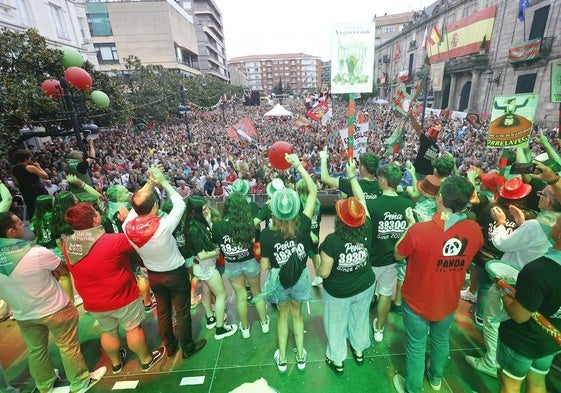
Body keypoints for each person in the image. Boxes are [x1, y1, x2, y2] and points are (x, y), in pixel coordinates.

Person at [393, 177, 484, 393]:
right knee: (441, 341)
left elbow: (398, 254)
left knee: (416, 346)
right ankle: (435, 379)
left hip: (417, 300)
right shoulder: (474, 229)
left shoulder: (419, 230)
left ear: (440, 197)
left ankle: (413, 388)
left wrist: (411, 226)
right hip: (448, 300)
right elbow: (451, 227)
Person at [0, 211, 106, 393]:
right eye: (18, 223)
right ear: (10, 231)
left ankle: (45, 385)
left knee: (36, 350)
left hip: (24, 314)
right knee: (68, 347)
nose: (22, 225)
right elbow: (63, 269)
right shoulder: (37, 253)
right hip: (55, 309)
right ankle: (80, 382)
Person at [62, 202, 165, 374]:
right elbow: (137, 239)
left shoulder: (67, 244)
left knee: (108, 330)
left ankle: (116, 363)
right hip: (122, 296)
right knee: (133, 328)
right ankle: (146, 360)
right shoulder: (113, 241)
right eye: (96, 212)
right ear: (95, 219)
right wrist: (126, 220)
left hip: (93, 301)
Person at [123, 166, 206, 360]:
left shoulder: (127, 227)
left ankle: (169, 346)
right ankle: (187, 347)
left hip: (153, 275)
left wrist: (150, 183)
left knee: (163, 312)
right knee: (182, 312)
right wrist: (163, 181)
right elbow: (179, 204)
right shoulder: (162, 225)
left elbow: (136, 206)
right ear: (155, 207)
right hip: (175, 274)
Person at [465, 203, 550, 378]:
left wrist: (501, 223)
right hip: (533, 281)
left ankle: (491, 362)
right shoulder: (540, 224)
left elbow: (501, 243)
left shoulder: (538, 225)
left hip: (512, 278)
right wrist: (521, 224)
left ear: (549, 201)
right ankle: (501, 355)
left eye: (545, 194)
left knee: (492, 319)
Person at [260, 152, 316, 373]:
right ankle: (301, 357)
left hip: (279, 279)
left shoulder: (266, 235)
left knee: (282, 316)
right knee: (297, 315)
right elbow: (312, 190)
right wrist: (297, 165)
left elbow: (264, 266)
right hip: (301, 276)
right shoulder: (303, 223)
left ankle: (282, 359)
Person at [318, 159, 375, 375]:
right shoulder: (367, 225)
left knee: (336, 324)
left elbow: (324, 272)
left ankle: (338, 359)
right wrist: (352, 176)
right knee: (360, 319)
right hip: (365, 284)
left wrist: (317, 262)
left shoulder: (332, 241)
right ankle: (359, 351)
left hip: (339, 292)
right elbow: (361, 199)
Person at [496, 215, 561, 393]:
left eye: (558, 221)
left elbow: (519, 315)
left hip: (523, 341)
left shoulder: (540, 270)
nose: (554, 223)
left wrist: (502, 289)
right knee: (538, 381)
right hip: (550, 339)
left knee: (509, 383)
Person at [212, 192, 269, 339]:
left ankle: (245, 329)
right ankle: (264, 324)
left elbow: (217, 244)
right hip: (250, 263)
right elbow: (258, 223)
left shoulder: (217, 226)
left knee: (241, 298)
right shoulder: (248, 224)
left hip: (231, 265)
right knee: (257, 293)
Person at [369, 164, 415, 342]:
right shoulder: (408, 205)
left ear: (382, 180)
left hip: (373, 259)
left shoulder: (372, 205)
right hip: (394, 260)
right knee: (386, 293)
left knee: (367, 294)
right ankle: (379, 329)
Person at [184, 195, 238, 340]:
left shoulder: (196, 224)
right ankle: (220, 328)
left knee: (206, 292)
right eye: (203, 209)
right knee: (221, 295)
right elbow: (201, 255)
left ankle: (210, 318)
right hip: (206, 267)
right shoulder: (194, 229)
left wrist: (208, 221)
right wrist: (216, 251)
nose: (207, 210)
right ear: (195, 211)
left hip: (202, 268)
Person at [295, 179, 323, 287]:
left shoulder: (300, 203)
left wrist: (310, 232)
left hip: (305, 234)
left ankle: (300, 280)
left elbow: (300, 220)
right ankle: (318, 276)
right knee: (314, 255)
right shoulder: (317, 201)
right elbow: (319, 218)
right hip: (315, 232)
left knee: (301, 256)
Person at [10, 149, 49, 219]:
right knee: (44, 208)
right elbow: (45, 176)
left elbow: (16, 183)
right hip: (37, 190)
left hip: (26, 192)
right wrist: (38, 167)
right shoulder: (30, 167)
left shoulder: (13, 169)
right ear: (26, 158)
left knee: (32, 209)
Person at [408, 112, 441, 178]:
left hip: (418, 172)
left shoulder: (426, 141)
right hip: (428, 175)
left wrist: (411, 117)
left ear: (429, 135)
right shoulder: (437, 148)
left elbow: (417, 128)